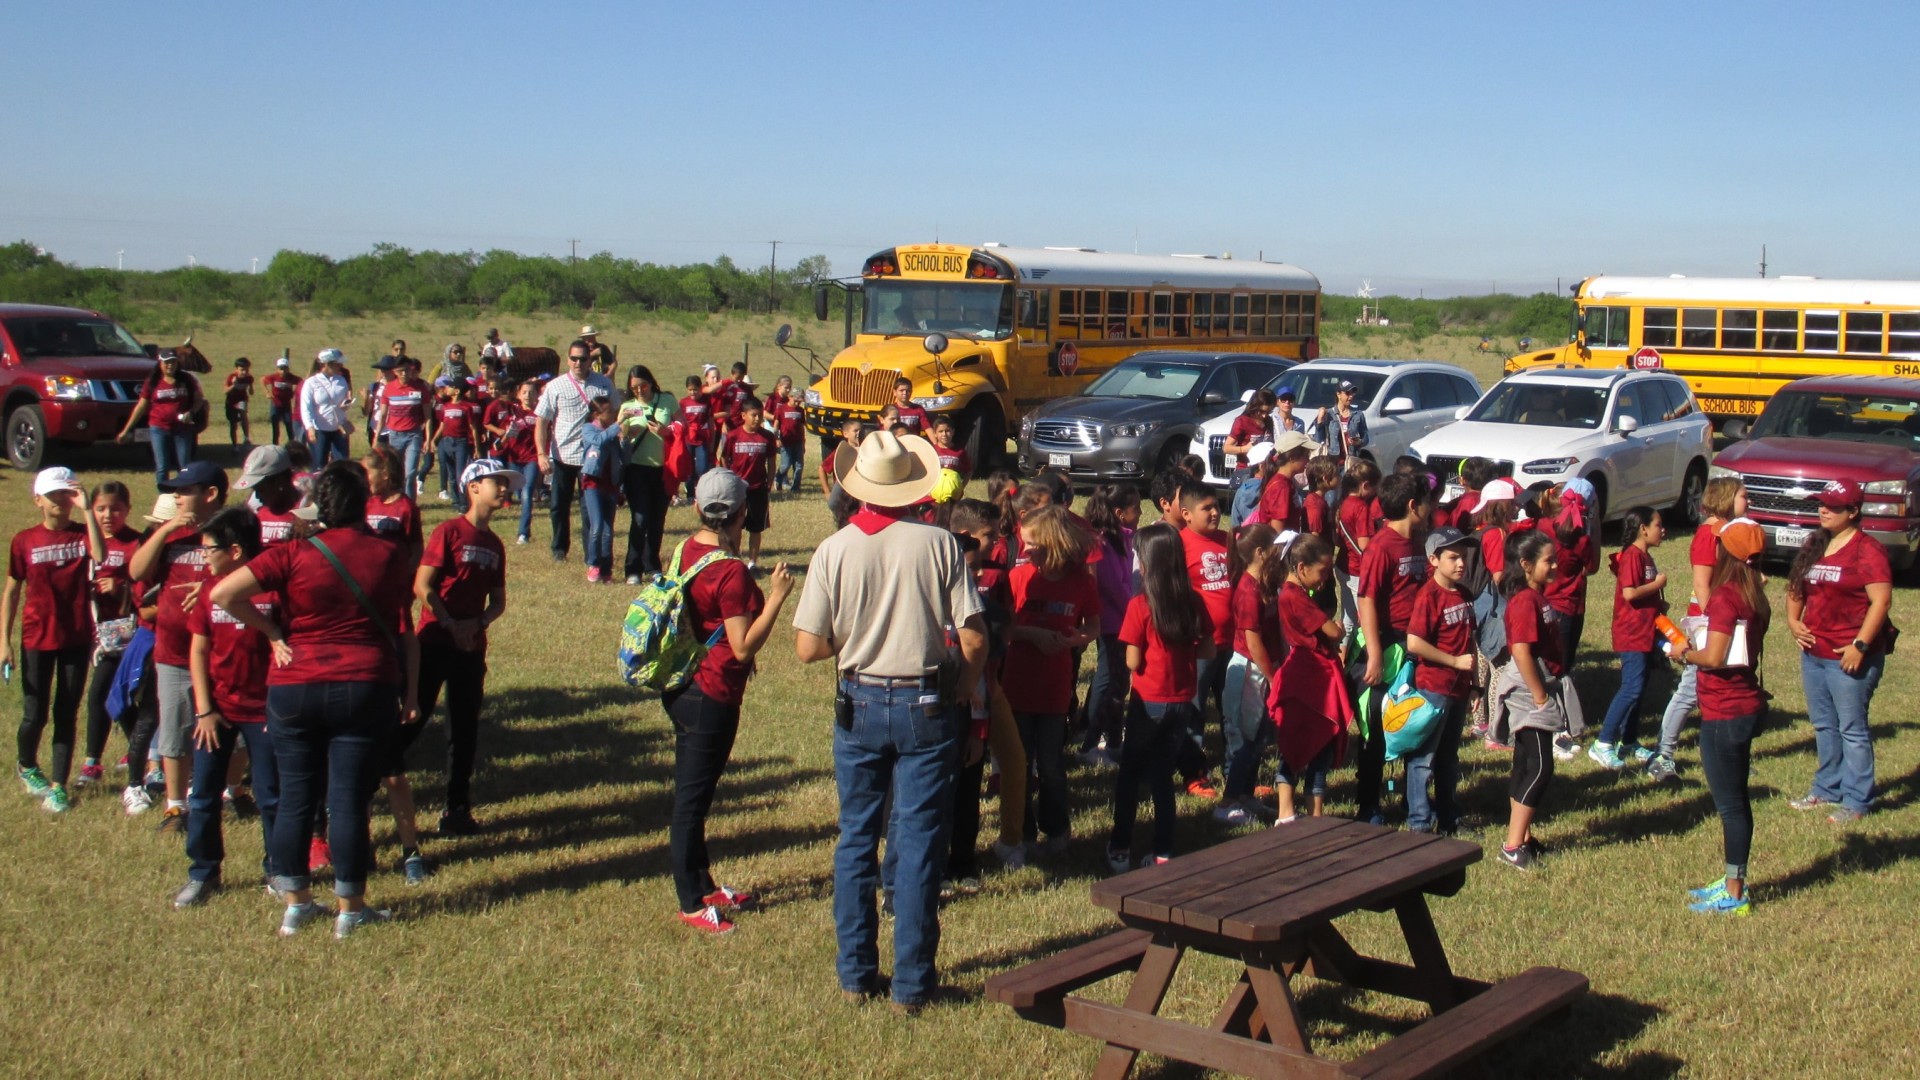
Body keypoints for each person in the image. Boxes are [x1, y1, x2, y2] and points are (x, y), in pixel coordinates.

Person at [791, 430, 987, 1015]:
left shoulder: (834, 550)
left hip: (859, 699)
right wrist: (962, 687)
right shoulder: (940, 545)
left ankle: (855, 974)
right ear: (913, 487)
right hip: (926, 699)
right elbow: (973, 635)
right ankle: (912, 983)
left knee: (856, 838)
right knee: (920, 840)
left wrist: (854, 641)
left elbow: (807, 647)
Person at [210, 460, 419, 939]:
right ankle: (351, 908)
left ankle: (297, 902)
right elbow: (398, 611)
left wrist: (273, 631)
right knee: (346, 799)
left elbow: (224, 593)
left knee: (294, 798)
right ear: (362, 502)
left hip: (294, 683)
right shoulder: (388, 554)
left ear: (319, 506)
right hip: (364, 681)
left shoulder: (293, 554)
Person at [661, 468, 795, 933]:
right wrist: (777, 597)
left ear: (697, 508)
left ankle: (702, 883)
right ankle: (690, 902)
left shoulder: (685, 551)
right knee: (692, 801)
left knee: (695, 794)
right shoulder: (731, 571)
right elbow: (742, 645)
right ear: (743, 512)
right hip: (711, 691)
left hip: (682, 684)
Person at [174, 507, 278, 908]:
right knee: (202, 794)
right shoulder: (208, 590)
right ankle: (203, 873)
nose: (204, 557)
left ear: (235, 551)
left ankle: (278, 869)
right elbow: (198, 649)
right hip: (217, 710)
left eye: (209, 550)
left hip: (265, 711)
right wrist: (204, 710)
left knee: (271, 795)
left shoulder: (272, 591)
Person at [412, 459, 516, 840]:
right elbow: (423, 586)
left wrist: (479, 623)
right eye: (496, 482)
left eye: (506, 484)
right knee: (412, 719)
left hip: (471, 648)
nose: (504, 489)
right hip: (434, 642)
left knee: (464, 730)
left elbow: (498, 601)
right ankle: (370, 786)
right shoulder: (449, 531)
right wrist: (449, 622)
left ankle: (456, 809)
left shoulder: (495, 544)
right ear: (472, 487)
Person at [1671, 519, 1770, 915]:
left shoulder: (1726, 597)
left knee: (1731, 806)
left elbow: (1713, 657)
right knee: (1736, 801)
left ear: (1726, 552)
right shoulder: (1753, 592)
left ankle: (1734, 892)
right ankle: (1732, 879)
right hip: (1741, 705)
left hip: (1725, 710)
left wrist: (1683, 652)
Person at [1785, 480, 1895, 824]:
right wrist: (1793, 621)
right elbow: (1797, 587)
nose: (1824, 510)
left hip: (1850, 655)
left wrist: (1860, 646)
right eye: (1822, 504)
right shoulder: (1815, 544)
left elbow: (1881, 600)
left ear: (1853, 512)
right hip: (1814, 653)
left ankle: (1857, 800)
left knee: (1852, 728)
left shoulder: (1868, 550)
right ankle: (1827, 788)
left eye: (1833, 507)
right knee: (1823, 724)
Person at [128, 460, 229, 834]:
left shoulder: (230, 532)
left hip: (221, 650)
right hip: (173, 649)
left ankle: (229, 792)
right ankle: (175, 807)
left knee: (227, 729)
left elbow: (251, 575)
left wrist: (208, 590)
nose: (177, 496)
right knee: (173, 729)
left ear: (211, 495)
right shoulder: (169, 536)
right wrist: (167, 527)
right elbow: (137, 573)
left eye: (184, 491)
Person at [1107, 522, 1212, 873]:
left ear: (1147, 563)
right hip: (1182, 699)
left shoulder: (1141, 605)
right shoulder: (1193, 601)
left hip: (1147, 700)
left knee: (1130, 775)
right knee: (1163, 776)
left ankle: (1120, 845)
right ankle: (1163, 849)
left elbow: (1132, 660)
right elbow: (1208, 648)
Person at [1003, 506, 1098, 856]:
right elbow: (1005, 629)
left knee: (1052, 765)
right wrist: (1031, 634)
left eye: (1031, 544)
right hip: (1018, 682)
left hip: (1056, 687)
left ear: (1053, 544)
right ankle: (1023, 832)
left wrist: (1077, 639)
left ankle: (1057, 828)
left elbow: (1094, 626)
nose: (1025, 551)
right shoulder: (1018, 578)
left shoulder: (1082, 582)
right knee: (1021, 765)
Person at [3, 467, 92, 813]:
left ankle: (59, 785)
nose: (60, 501)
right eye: (53, 495)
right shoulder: (24, 540)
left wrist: (87, 511)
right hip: (37, 637)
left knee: (66, 712)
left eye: (66, 494)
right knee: (34, 712)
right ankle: (26, 765)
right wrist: (3, 643)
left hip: (76, 637)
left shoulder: (85, 535)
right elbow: (12, 592)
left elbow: (100, 556)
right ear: (38, 500)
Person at [946, 498, 1028, 867]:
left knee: (1014, 760)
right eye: (988, 536)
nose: (997, 543)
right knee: (957, 774)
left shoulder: (996, 575)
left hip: (990, 685)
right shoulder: (940, 573)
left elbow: (1007, 619)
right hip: (953, 686)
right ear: (964, 536)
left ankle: (1011, 841)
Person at [1649, 478, 1747, 781]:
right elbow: (1702, 585)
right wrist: (1710, 622)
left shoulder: (1734, 532)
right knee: (1690, 690)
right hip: (1709, 622)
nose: (1748, 502)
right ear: (1727, 498)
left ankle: (1727, 756)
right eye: (1744, 496)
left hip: (1730, 618)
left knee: (1726, 688)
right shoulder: (1708, 535)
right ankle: (1663, 754)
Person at [1353, 472, 1430, 825]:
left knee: (1413, 721)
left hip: (1413, 644)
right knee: (1376, 730)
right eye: (1428, 502)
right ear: (1414, 506)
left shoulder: (1417, 539)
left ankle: (1411, 798)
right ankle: (1368, 803)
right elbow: (1366, 600)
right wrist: (1373, 653)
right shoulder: (1381, 547)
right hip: (1386, 644)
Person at [1496, 530, 1574, 870]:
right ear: (1525, 564)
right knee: (1541, 766)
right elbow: (1521, 651)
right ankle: (1513, 846)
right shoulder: (1525, 601)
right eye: (1548, 560)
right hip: (1529, 687)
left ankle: (1523, 837)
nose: (1555, 565)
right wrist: (1541, 696)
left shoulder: (1536, 596)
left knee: (1527, 762)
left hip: (1537, 683)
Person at [1404, 527, 1480, 835]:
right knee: (1423, 759)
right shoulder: (1428, 597)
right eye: (1453, 558)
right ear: (1433, 560)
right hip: (1433, 688)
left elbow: (1469, 642)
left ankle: (1450, 818)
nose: (1461, 564)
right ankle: (1420, 823)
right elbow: (1414, 642)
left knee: (1449, 758)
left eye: (1463, 557)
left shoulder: (1463, 594)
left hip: (1459, 688)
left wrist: (1474, 682)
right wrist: (1453, 662)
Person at [1271, 534, 1346, 822]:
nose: (1326, 579)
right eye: (1323, 572)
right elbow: (1332, 631)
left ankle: (1291, 811)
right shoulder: (1296, 596)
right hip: (1311, 674)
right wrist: (1337, 628)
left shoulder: (1291, 593)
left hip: (1305, 670)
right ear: (1302, 568)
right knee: (1315, 740)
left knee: (1298, 740)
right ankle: (1303, 812)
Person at [76, 481, 141, 790]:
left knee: (102, 693)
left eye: (115, 508)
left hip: (125, 635)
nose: (107, 515)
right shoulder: (86, 540)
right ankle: (138, 748)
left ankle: (92, 762)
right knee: (119, 696)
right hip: (92, 633)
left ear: (127, 509)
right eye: (101, 508)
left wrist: (121, 589)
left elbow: (146, 590)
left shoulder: (136, 543)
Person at [1593, 507, 1668, 770]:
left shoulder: (1646, 557)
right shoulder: (1632, 556)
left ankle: (1629, 740)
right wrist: (1657, 585)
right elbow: (1629, 593)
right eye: (1658, 525)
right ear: (1643, 528)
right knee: (1631, 688)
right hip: (1631, 632)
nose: (1663, 530)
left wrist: (1659, 605)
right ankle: (1602, 743)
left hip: (1646, 630)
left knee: (1640, 689)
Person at [1219, 524, 1283, 826]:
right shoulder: (1247, 591)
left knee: (1258, 737)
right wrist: (1273, 678)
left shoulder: (1264, 585)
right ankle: (1228, 801)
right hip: (1250, 671)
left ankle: (1245, 797)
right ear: (1260, 553)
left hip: (1262, 669)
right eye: (1275, 548)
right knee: (1246, 737)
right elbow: (1253, 641)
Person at [534, 340, 615, 565]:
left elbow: (615, 413)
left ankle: (592, 554)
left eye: (583, 358)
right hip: (563, 456)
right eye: (574, 358)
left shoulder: (603, 384)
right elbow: (542, 421)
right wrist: (541, 454)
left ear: (591, 360)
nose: (578, 362)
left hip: (593, 457)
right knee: (559, 505)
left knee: (590, 508)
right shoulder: (555, 386)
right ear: (568, 359)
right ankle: (559, 548)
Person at [1077, 485, 1138, 767]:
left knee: (1119, 683)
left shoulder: (1123, 539)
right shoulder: (1101, 542)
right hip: (1113, 622)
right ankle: (1089, 744)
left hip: (1124, 620)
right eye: (1135, 508)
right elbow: (1113, 586)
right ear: (1119, 513)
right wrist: (1136, 612)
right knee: (1107, 680)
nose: (1139, 513)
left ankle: (1114, 741)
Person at [617, 365, 676, 583]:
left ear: (650, 382)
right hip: (636, 468)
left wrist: (666, 431)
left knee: (657, 518)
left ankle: (652, 565)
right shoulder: (628, 407)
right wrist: (623, 428)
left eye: (642, 385)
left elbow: (683, 426)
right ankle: (632, 568)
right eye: (634, 388)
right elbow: (617, 436)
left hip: (663, 468)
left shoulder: (667, 401)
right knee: (640, 518)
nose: (639, 391)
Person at [117, 349, 204, 486]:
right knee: (162, 466)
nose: (170, 365)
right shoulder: (152, 382)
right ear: (160, 363)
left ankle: (185, 492)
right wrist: (126, 429)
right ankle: (164, 494)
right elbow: (141, 406)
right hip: (158, 428)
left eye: (173, 362)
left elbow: (199, 399)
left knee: (184, 464)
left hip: (182, 428)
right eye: (167, 362)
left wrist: (191, 412)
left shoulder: (186, 379)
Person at [720, 398, 775, 570]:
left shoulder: (768, 437)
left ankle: (752, 562)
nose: (757, 419)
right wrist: (727, 478)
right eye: (753, 415)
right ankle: (735, 559)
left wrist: (770, 483)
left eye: (760, 415)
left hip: (758, 488)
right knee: (734, 526)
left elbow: (771, 462)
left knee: (755, 528)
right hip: (737, 489)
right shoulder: (733, 436)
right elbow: (723, 457)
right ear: (743, 415)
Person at [372, 353, 431, 501]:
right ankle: (397, 500)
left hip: (414, 435)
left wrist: (428, 439)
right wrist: (377, 436)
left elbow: (428, 416)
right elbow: (383, 415)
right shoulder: (389, 389)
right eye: (400, 371)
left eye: (406, 370)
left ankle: (410, 503)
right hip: (395, 435)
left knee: (410, 472)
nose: (404, 374)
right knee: (396, 471)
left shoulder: (420, 388)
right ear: (395, 372)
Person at [578, 395, 623, 584]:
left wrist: (626, 439)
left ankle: (606, 569)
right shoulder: (589, 429)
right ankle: (593, 564)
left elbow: (623, 458)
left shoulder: (613, 432)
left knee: (608, 530)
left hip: (610, 484)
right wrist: (617, 426)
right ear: (596, 414)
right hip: (592, 484)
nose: (613, 414)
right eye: (609, 412)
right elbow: (598, 441)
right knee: (596, 527)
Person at [361, 446, 424, 563]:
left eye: (367, 473)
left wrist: (405, 575)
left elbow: (416, 550)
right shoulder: (366, 504)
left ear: (385, 474)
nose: (364, 479)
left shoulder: (407, 508)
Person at [429, 379, 479, 512]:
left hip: (460, 442)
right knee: (451, 475)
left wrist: (476, 447)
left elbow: (473, 428)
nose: (446, 388)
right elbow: (442, 425)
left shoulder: (466, 407)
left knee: (459, 475)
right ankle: (455, 501)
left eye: (450, 387)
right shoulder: (445, 406)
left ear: (456, 391)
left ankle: (464, 503)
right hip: (446, 442)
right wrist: (434, 440)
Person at [299, 349, 354, 464]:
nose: (341, 366)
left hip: (339, 427)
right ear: (327, 364)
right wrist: (310, 428)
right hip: (320, 428)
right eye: (338, 364)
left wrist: (346, 405)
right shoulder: (311, 382)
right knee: (319, 463)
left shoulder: (341, 380)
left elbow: (344, 399)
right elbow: (306, 406)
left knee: (343, 462)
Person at [1223, 388, 1276, 477]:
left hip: (1265, 470)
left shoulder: (1269, 421)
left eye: (1268, 412)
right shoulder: (1242, 421)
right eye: (1261, 411)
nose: (1264, 415)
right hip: (1246, 470)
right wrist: (1244, 449)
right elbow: (1226, 448)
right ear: (1255, 406)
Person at [679, 375, 716, 504]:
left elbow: (711, 421)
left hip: (702, 439)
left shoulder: (706, 401)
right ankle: (690, 493)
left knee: (702, 467)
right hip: (688, 439)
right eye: (690, 390)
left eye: (695, 389)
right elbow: (679, 421)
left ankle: (702, 492)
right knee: (688, 468)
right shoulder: (683, 403)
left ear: (700, 388)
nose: (693, 392)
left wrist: (712, 440)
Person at [1311, 380, 1369, 461]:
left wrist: (1358, 442)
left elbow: (1366, 438)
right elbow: (1319, 440)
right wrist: (1320, 420)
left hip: (1351, 461)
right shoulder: (1329, 414)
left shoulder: (1358, 414)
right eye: (1347, 393)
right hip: (1333, 461)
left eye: (1352, 393)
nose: (1351, 396)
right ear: (1338, 394)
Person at [771, 378, 809, 493]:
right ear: (790, 397)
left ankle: (795, 487)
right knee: (785, 465)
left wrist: (803, 442)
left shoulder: (801, 411)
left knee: (799, 466)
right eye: (796, 400)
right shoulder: (781, 409)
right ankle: (778, 478)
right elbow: (776, 424)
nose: (798, 403)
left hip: (797, 442)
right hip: (785, 442)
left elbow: (802, 426)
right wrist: (777, 438)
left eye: (800, 401)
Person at [264, 355, 302, 445]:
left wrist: (294, 392)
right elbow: (263, 380)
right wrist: (267, 392)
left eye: (285, 369)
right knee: (275, 425)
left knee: (289, 424)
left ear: (288, 369)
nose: (283, 371)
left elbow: (300, 381)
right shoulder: (274, 377)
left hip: (286, 405)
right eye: (281, 369)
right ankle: (275, 444)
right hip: (275, 403)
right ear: (277, 369)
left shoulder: (291, 377)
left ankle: (292, 443)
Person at [224, 357, 254, 446]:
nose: (245, 372)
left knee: (243, 412)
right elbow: (225, 391)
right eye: (242, 370)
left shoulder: (249, 378)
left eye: (247, 370)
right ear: (236, 369)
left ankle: (246, 437)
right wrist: (234, 385)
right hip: (231, 402)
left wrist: (250, 387)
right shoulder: (231, 377)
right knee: (233, 424)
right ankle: (235, 445)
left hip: (242, 399)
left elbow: (251, 392)